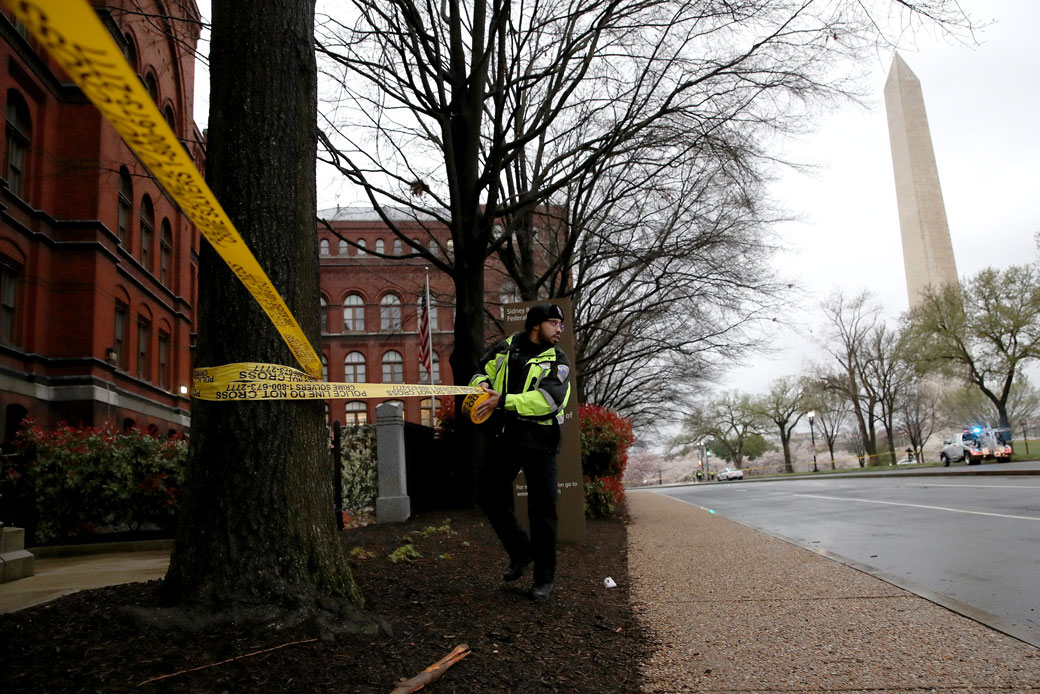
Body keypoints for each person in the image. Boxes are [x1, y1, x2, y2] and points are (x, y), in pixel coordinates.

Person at [470, 303, 571, 600]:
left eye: (561, 324)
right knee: (489, 495)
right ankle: (521, 551)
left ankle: (544, 580)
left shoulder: (558, 359)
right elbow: (479, 371)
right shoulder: (505, 348)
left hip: (540, 441)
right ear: (536, 325)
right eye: (554, 323)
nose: (560, 329)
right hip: (504, 437)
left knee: (542, 511)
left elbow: (550, 400)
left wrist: (502, 401)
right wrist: (482, 385)